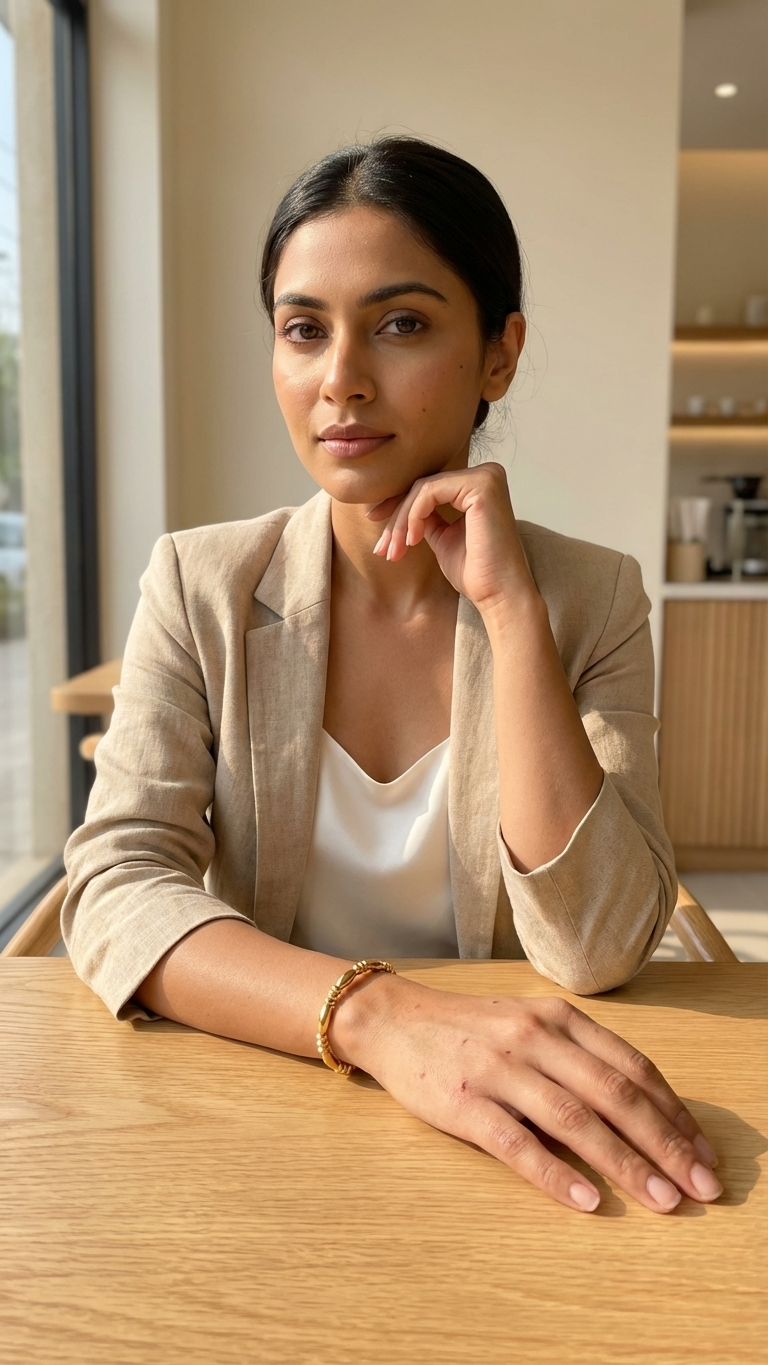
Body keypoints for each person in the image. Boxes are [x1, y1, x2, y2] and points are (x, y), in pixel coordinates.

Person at [63, 137, 722, 1215]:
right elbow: (118, 886)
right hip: (261, 1110)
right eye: (303, 329)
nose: (341, 381)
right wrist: (379, 1016)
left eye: (402, 324)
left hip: (510, 1149)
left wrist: (510, 615)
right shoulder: (199, 583)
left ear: (499, 355)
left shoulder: (593, 598)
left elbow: (599, 947)